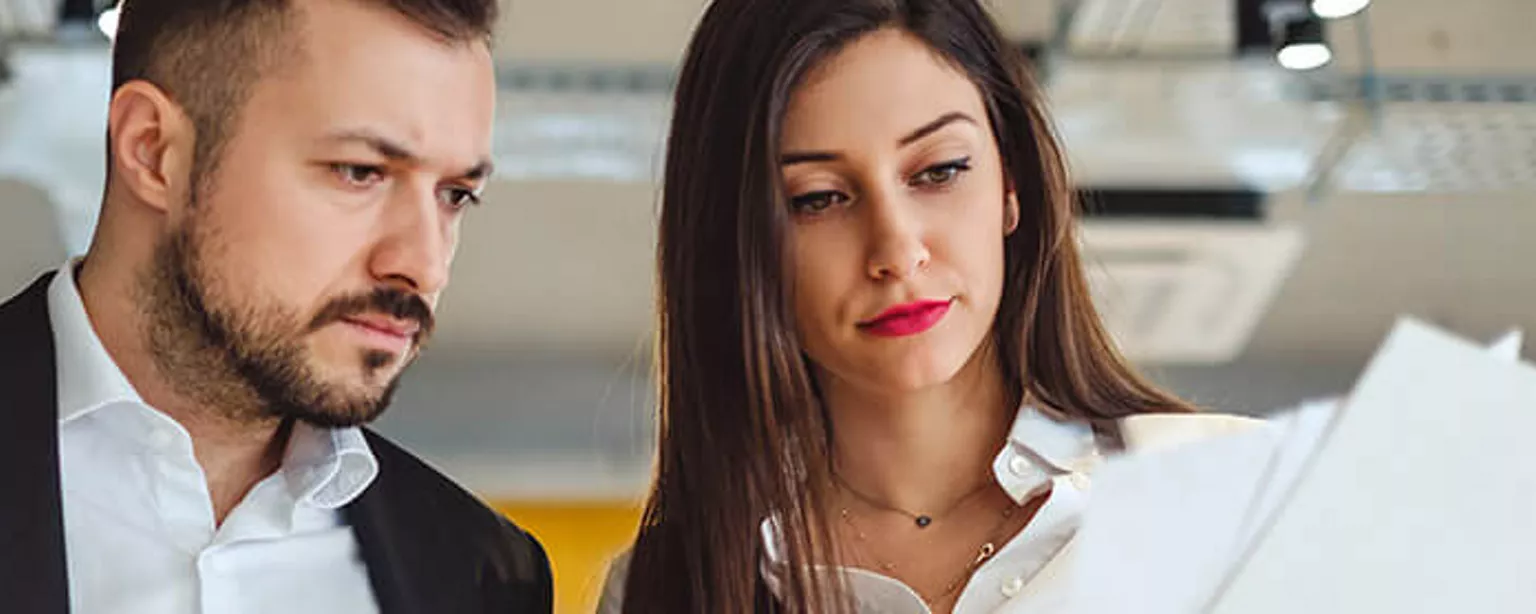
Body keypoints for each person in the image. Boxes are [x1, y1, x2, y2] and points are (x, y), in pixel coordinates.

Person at [599, 0, 1256, 612]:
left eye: (939, 171)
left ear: (1011, 184)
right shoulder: (669, 587)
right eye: (819, 198)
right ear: (736, 242)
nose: (896, 249)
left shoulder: (1245, 495)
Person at [0, 0, 552, 612]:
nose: (424, 265)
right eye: (358, 172)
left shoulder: (483, 573)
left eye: (455, 195)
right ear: (154, 150)